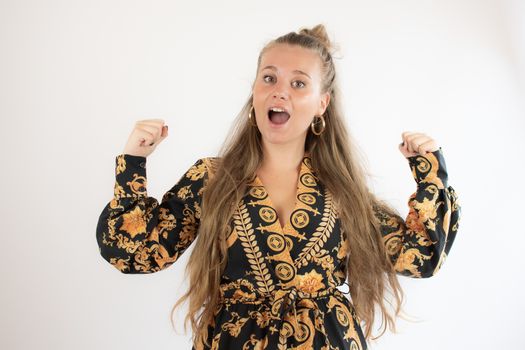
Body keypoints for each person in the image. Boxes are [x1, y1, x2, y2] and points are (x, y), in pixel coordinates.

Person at [96, 24, 461, 350]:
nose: (279, 92)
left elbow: (421, 256)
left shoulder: (345, 191)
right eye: (269, 78)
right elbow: (136, 252)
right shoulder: (212, 180)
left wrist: (429, 171)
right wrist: (133, 162)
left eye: (298, 83)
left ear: (322, 104)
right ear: (254, 90)